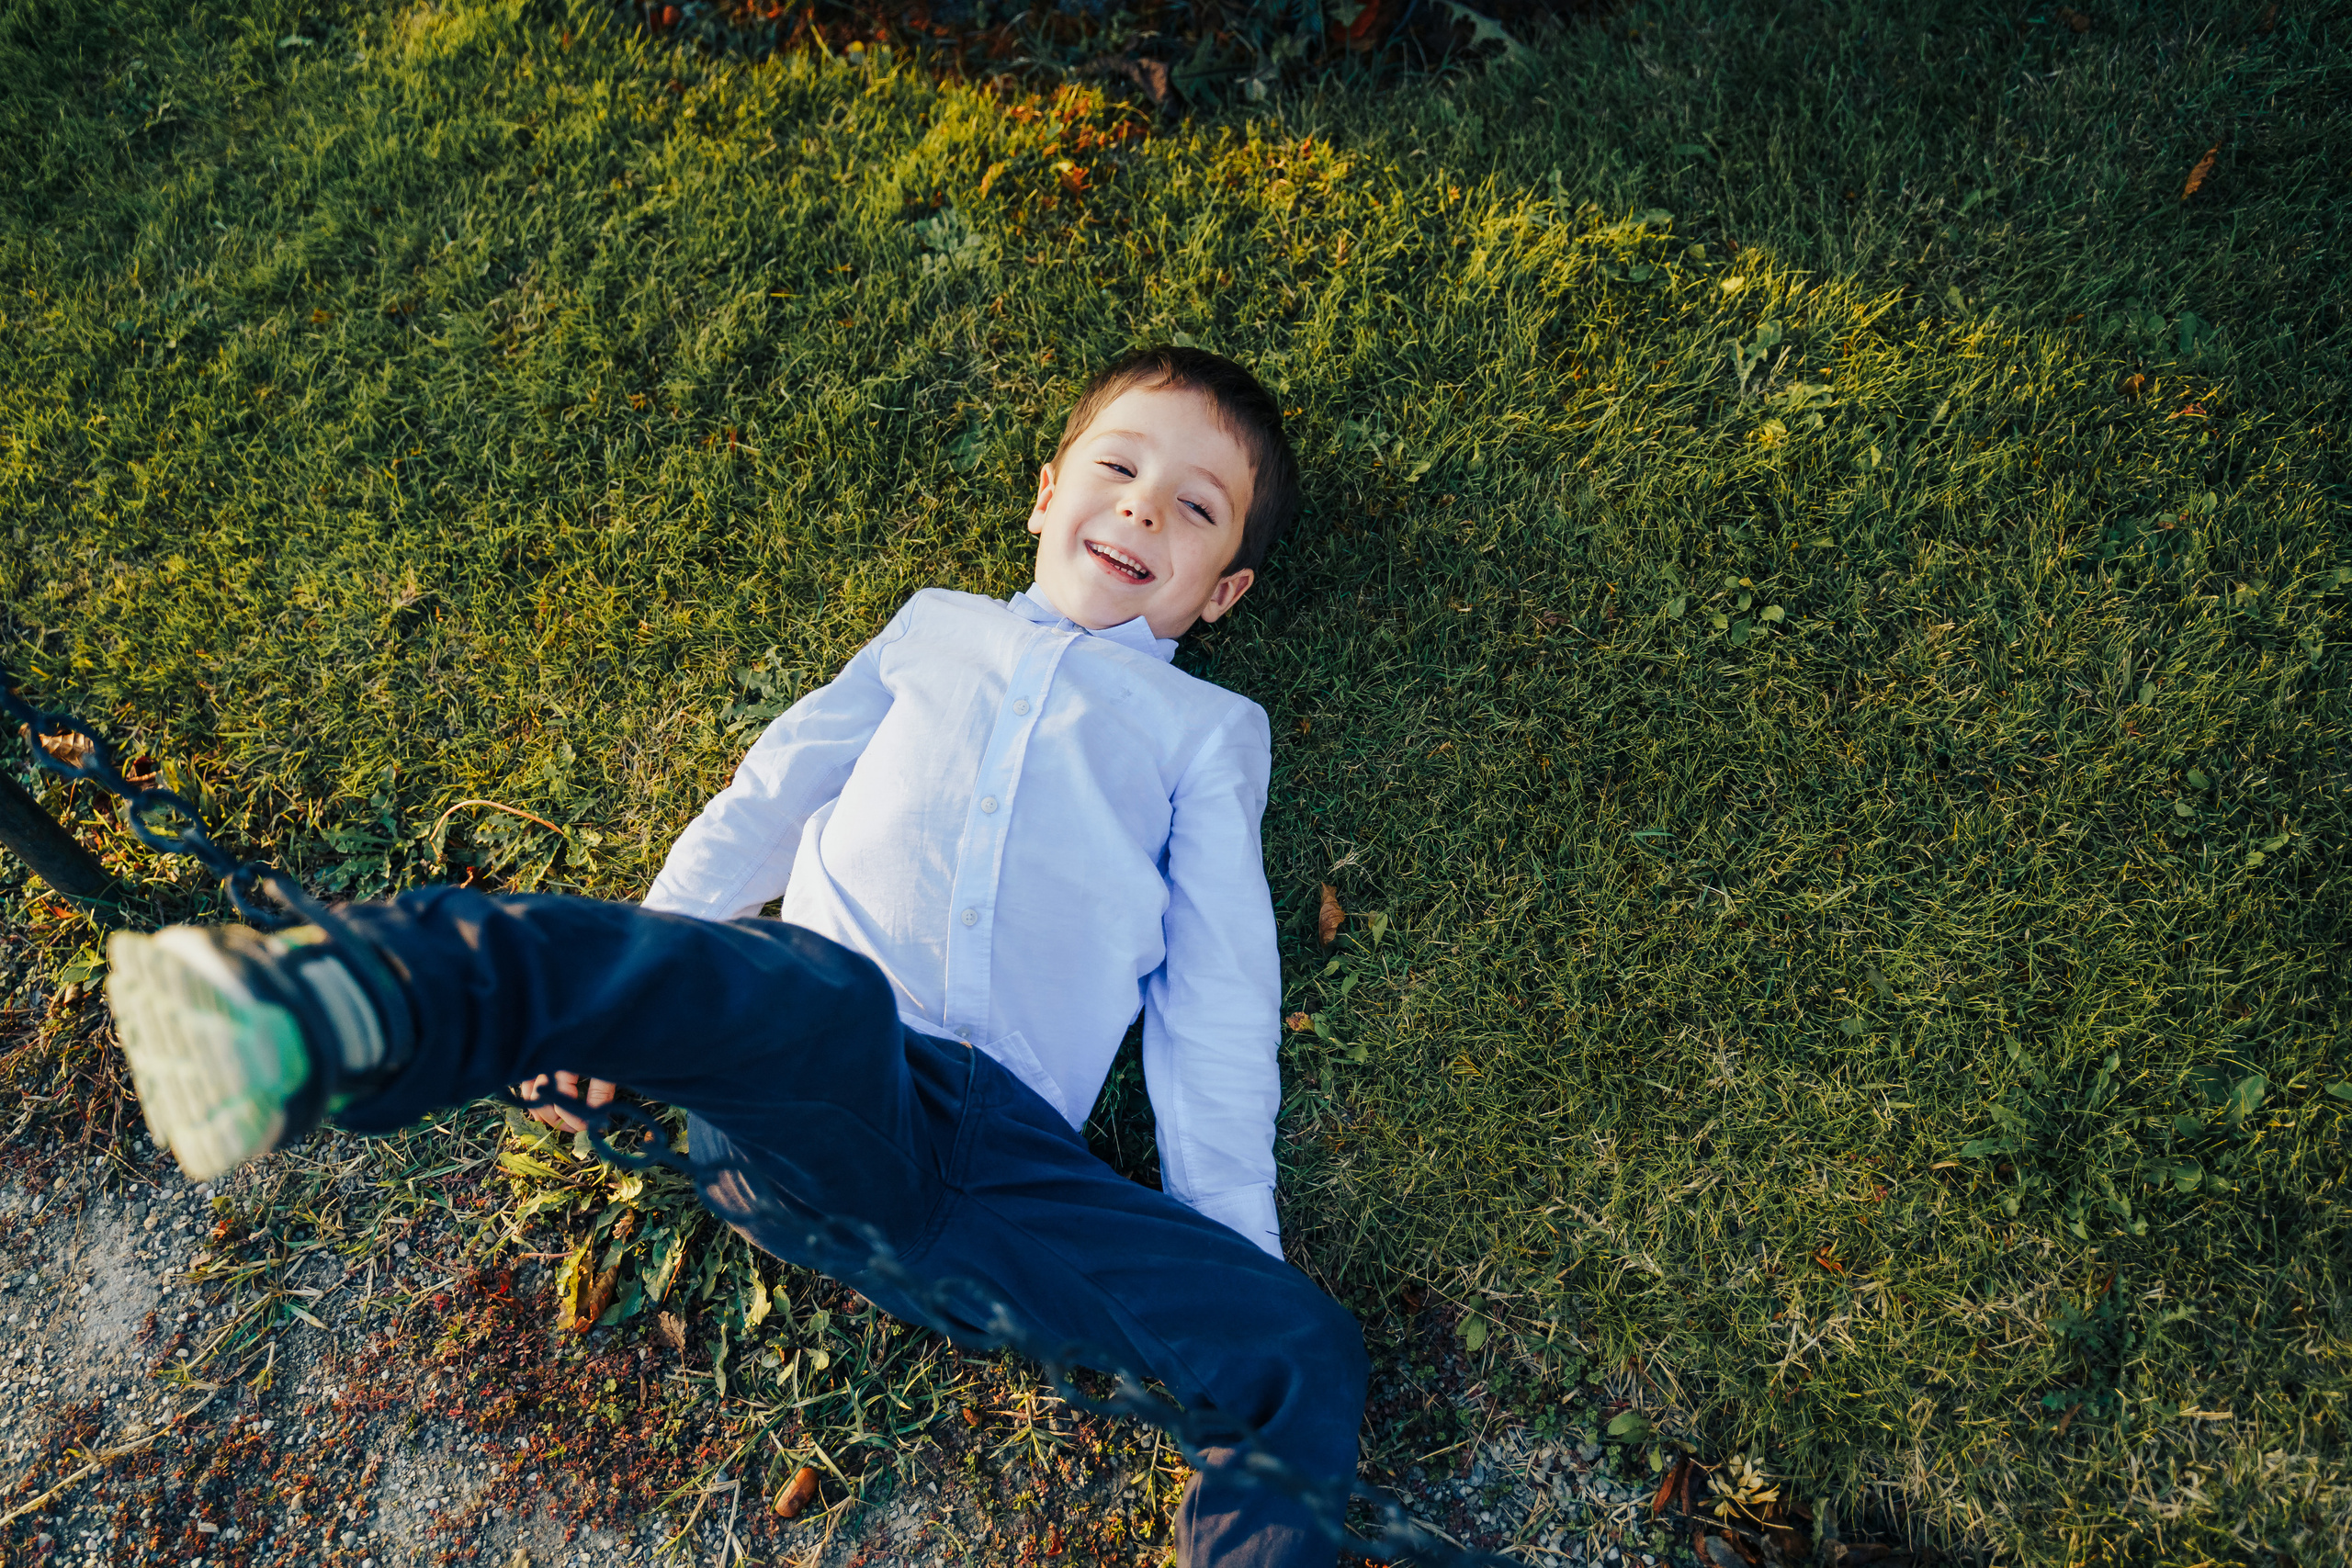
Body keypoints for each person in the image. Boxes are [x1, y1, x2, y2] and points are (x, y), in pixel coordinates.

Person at [102, 346, 1369, 1568]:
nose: (1143, 507)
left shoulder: (1206, 732)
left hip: (1005, 1174)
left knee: (1304, 1343)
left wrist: (1227, 1247)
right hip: (809, 1072)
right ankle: (325, 1011)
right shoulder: (937, 632)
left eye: (1196, 509)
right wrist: (634, 1003)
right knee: (804, 988)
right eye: (1117, 468)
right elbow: (773, 795)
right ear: (1046, 492)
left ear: (1222, 593)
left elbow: (1213, 993)